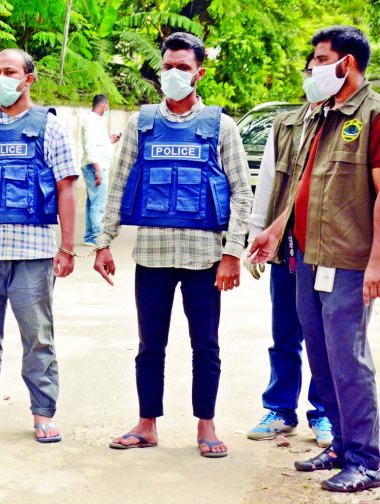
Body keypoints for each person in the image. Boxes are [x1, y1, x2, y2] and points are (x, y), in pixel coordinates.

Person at [94, 32, 252, 458]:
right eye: (168, 67)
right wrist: (103, 241)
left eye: (183, 67)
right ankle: (147, 424)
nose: (174, 74)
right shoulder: (141, 124)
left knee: (206, 344)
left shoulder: (221, 126)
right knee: (150, 344)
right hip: (153, 256)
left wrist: (232, 253)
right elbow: (119, 182)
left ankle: (206, 425)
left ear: (199, 73)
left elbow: (242, 192)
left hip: (205, 259)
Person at [250, 25, 380, 493]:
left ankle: (367, 459)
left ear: (347, 63)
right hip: (307, 255)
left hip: (348, 258)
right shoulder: (322, 116)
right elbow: (305, 186)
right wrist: (273, 229)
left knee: (349, 358)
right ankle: (342, 447)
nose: (314, 69)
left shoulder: (373, 114)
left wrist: (377, 263)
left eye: (322, 60)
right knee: (322, 355)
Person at [0, 48, 78, 443]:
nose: (1, 78)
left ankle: (43, 412)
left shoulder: (51, 128)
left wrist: (67, 247)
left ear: (28, 79)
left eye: (10, 71)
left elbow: (66, 187)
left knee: (37, 337)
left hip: (33, 252)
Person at [245, 53, 332, 447]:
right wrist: (256, 234)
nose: (314, 75)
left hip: (331, 250)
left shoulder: (349, 123)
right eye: (310, 67)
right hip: (288, 249)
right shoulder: (286, 124)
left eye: (321, 65)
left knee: (326, 337)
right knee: (285, 332)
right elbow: (265, 183)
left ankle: (325, 412)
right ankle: (280, 409)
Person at [80, 94, 120, 246]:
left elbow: (97, 142)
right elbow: (89, 146)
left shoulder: (96, 121)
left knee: (93, 202)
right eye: (107, 106)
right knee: (98, 204)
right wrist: (97, 170)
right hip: (95, 166)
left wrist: (109, 139)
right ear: (104, 105)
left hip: (97, 165)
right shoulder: (91, 120)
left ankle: (90, 236)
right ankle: (96, 236)